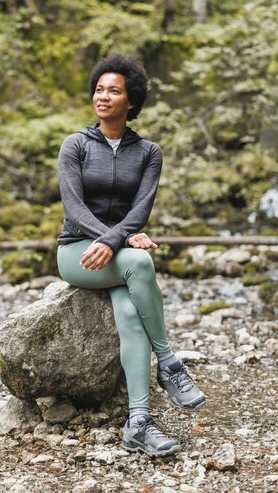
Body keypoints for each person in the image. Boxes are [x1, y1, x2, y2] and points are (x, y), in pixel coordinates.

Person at [57, 53, 206, 457]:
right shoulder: (75, 145)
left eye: (114, 91)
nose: (103, 96)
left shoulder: (149, 153)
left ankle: (139, 421)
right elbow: (74, 208)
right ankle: (170, 364)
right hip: (78, 252)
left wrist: (117, 239)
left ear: (132, 101)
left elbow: (142, 210)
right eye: (99, 89)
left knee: (129, 316)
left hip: (116, 253)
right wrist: (116, 240)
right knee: (141, 261)